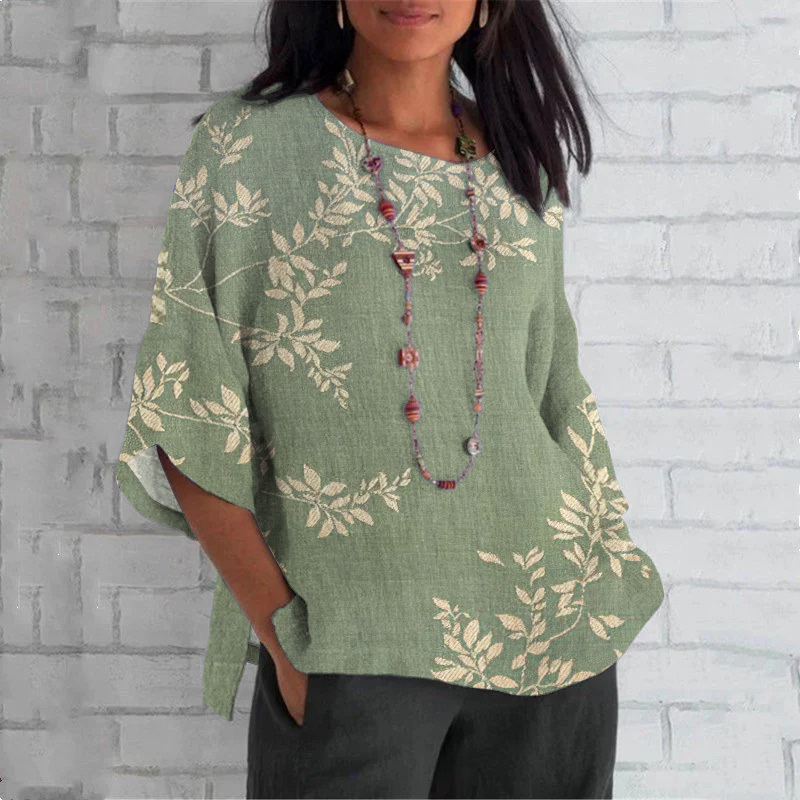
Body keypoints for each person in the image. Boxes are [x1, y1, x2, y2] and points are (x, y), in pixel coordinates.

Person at [115, 0, 666, 797]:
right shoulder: (247, 150)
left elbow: (553, 388)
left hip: (552, 635)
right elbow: (186, 413)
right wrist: (286, 642)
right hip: (352, 647)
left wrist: (604, 551)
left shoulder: (521, 158)